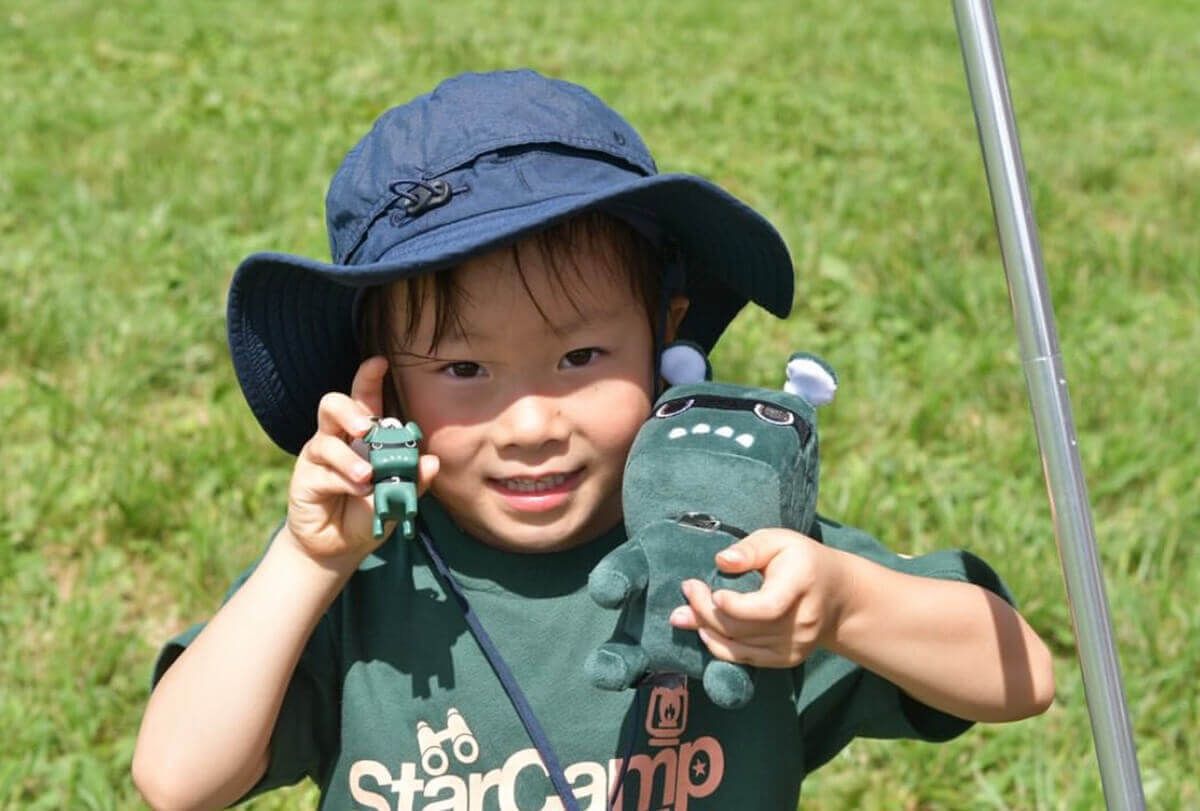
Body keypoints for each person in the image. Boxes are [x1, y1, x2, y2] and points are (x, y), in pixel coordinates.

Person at [132, 69, 1054, 811]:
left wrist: (844, 605)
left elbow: (1019, 671)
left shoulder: (731, 552)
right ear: (388, 386)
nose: (533, 423)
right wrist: (306, 563)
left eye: (580, 357)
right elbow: (177, 779)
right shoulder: (366, 575)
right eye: (463, 369)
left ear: (664, 337)